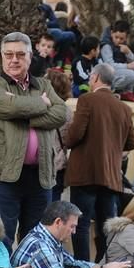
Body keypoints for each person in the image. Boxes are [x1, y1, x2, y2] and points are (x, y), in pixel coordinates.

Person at [0, 31, 67, 250]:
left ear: (30, 57)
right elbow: (6, 106)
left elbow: (61, 114)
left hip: (40, 176)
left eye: (20, 54)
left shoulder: (44, 86)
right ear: (1, 57)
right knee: (1, 238)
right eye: (8, 55)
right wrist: (41, 104)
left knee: (36, 240)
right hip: (3, 175)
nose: (14, 60)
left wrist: (21, 114)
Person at [66, 63, 134, 262]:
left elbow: (74, 136)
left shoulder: (87, 100)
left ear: (96, 77)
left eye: (91, 77)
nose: (89, 80)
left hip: (85, 174)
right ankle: (104, 265)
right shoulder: (123, 107)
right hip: (112, 177)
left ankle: (83, 266)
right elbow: (133, 142)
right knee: (106, 226)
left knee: (79, 224)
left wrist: (65, 137)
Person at [46, 69, 73, 202]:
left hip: (44, 165)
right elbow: (70, 138)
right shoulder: (68, 112)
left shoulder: (40, 107)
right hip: (59, 165)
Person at [99, 20, 134, 102]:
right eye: (116, 37)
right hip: (106, 74)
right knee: (131, 74)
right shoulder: (106, 45)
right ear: (112, 33)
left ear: (126, 37)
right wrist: (127, 66)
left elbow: (132, 60)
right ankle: (109, 91)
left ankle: (127, 92)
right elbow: (109, 65)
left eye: (121, 39)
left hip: (117, 71)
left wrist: (128, 52)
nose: (118, 40)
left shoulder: (123, 45)